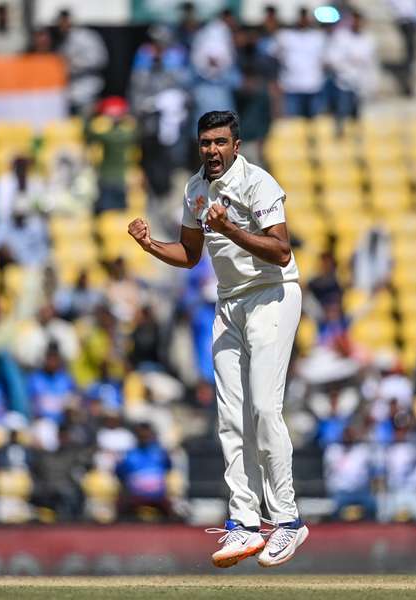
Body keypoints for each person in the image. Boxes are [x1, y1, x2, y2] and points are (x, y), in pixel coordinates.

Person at [127, 110, 307, 568]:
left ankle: (286, 521)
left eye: (220, 142)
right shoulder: (194, 190)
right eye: (205, 142)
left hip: (273, 294)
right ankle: (244, 522)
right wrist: (150, 246)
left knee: (265, 407)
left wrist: (229, 229)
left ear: (236, 145)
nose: (212, 150)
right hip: (230, 302)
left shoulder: (258, 184)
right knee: (230, 415)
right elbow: (189, 255)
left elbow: (282, 249)